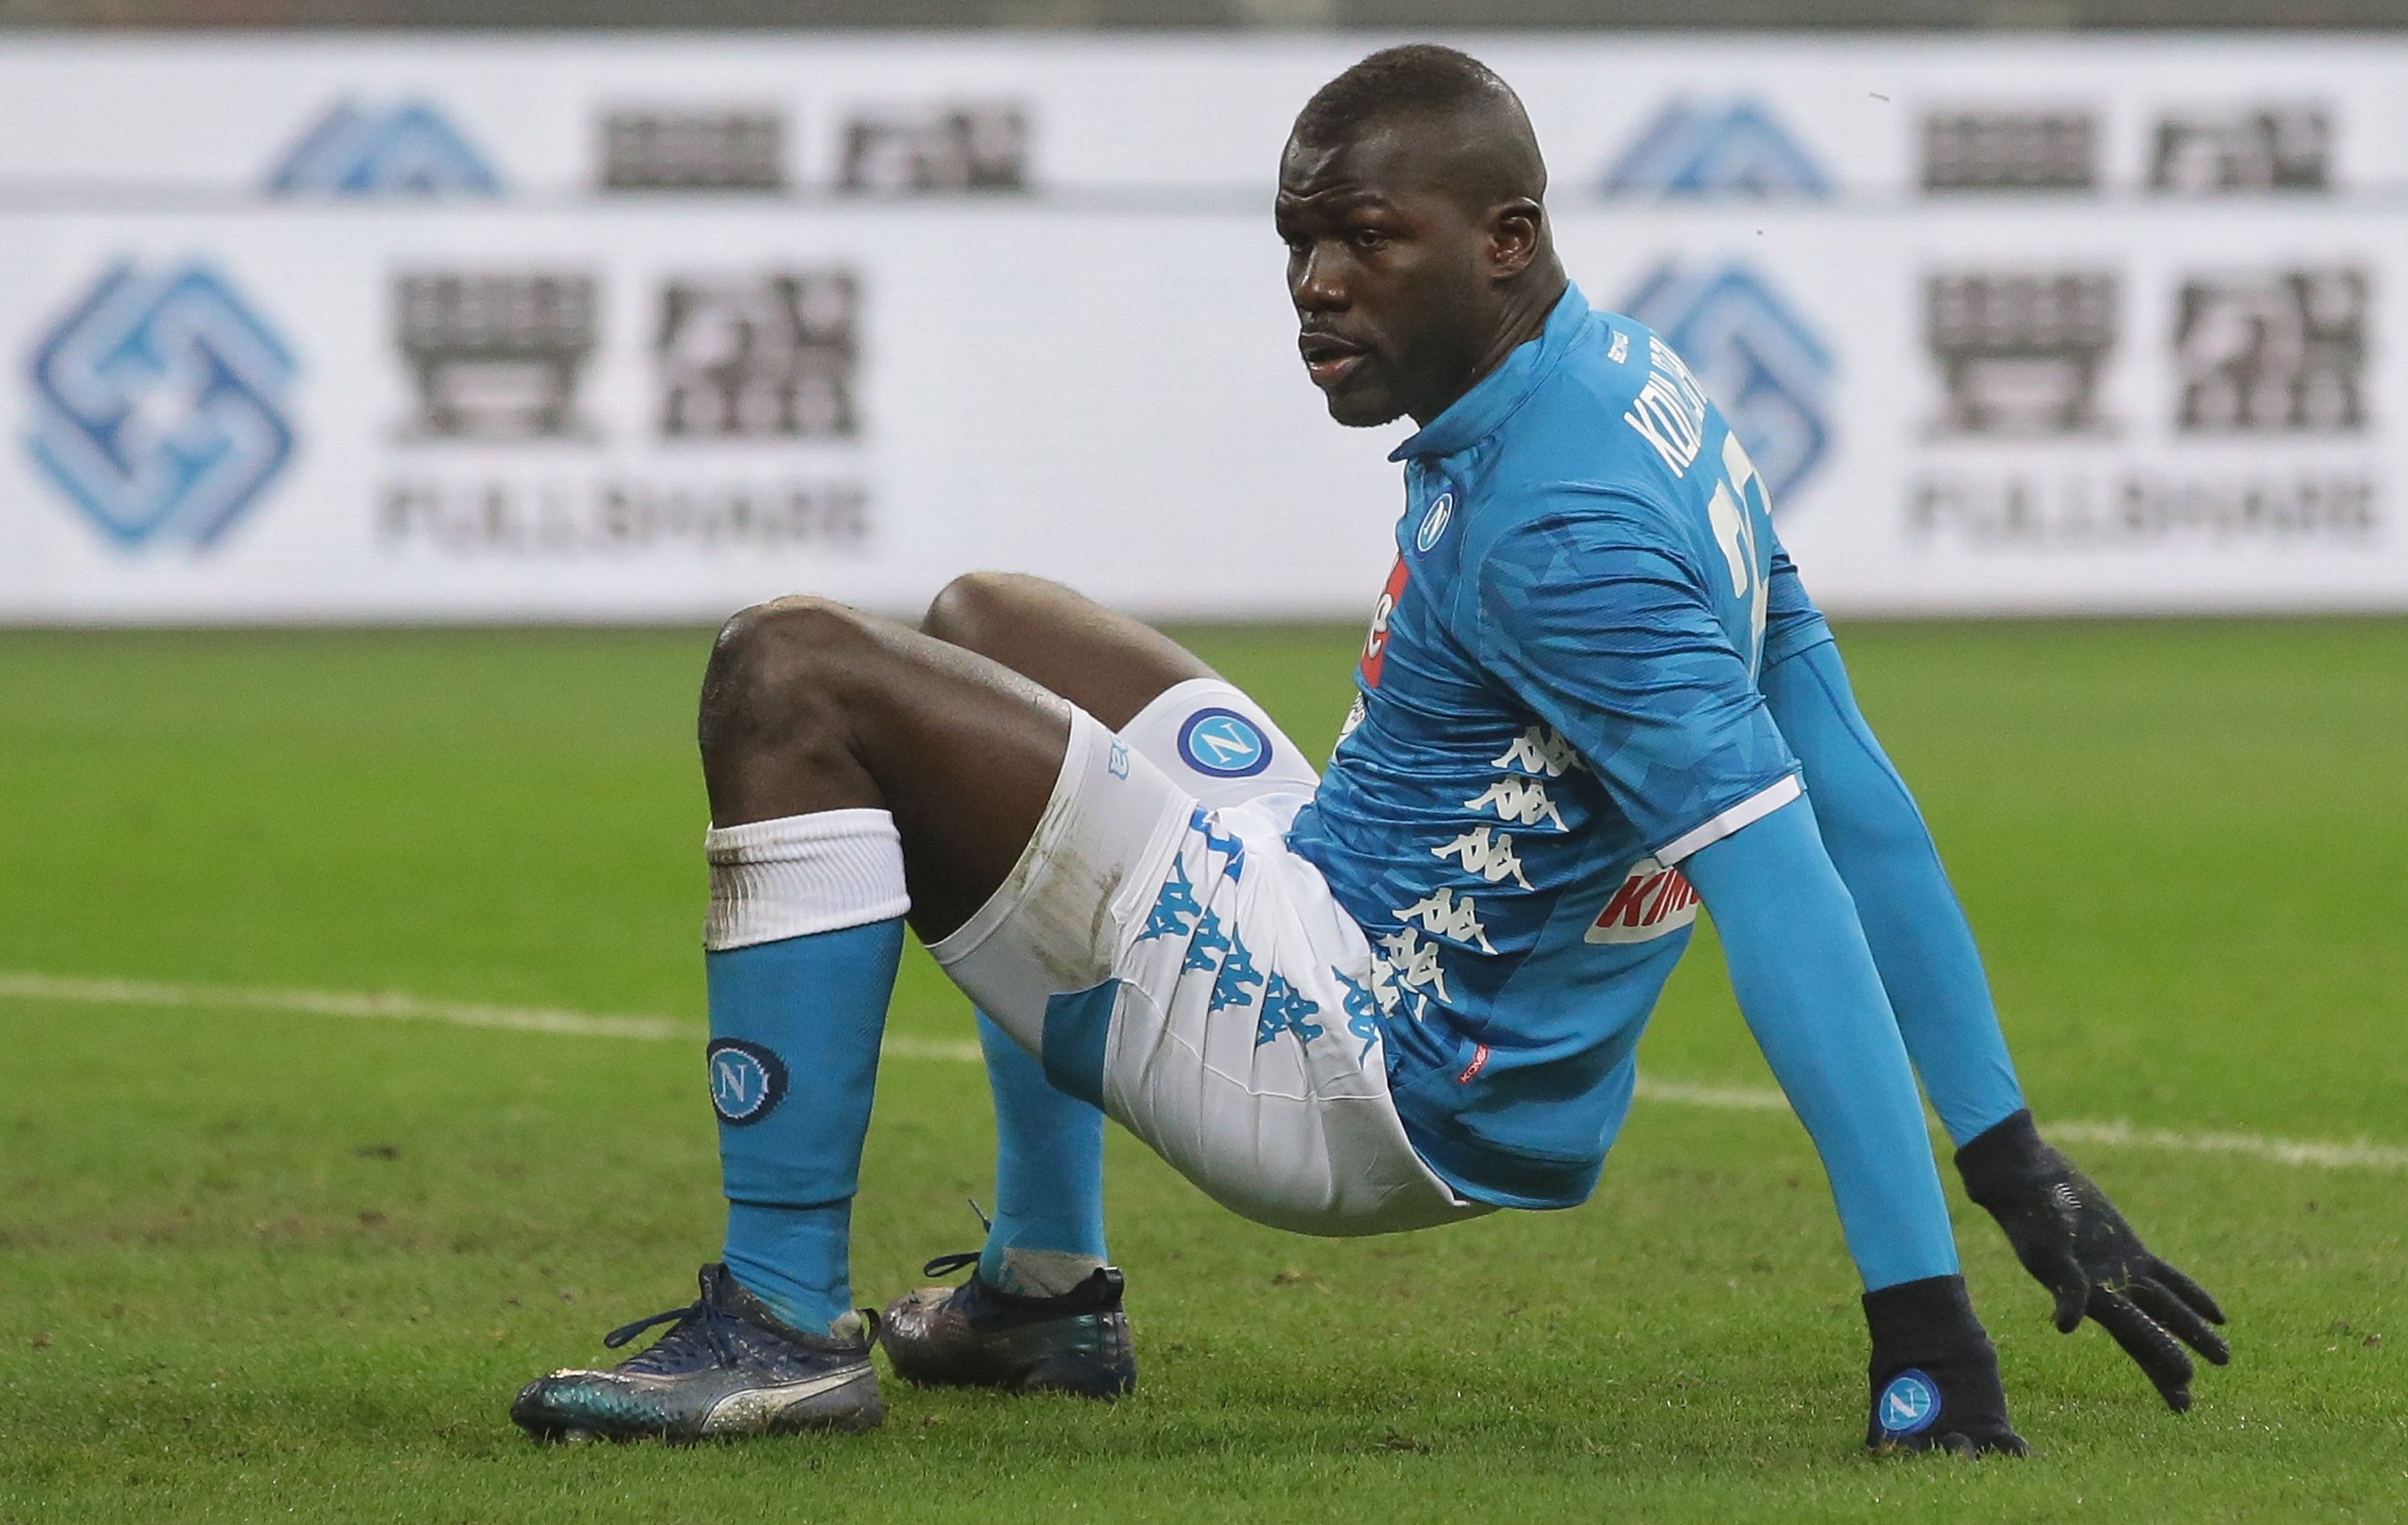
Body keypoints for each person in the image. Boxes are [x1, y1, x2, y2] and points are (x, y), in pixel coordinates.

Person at [510, 44, 2226, 1454]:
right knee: (988, 623)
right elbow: (1844, 764)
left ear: (1505, 238)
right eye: (1299, 240)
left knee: (788, 675)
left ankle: (784, 1318)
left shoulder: (1563, 524)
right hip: (1373, 925)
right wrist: (2005, 1146)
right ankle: (1043, 1295)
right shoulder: (1639, 392)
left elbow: (1786, 877)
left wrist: (1922, 1328)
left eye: (1368, 240)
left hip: (1351, 1057)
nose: (1318, 286)